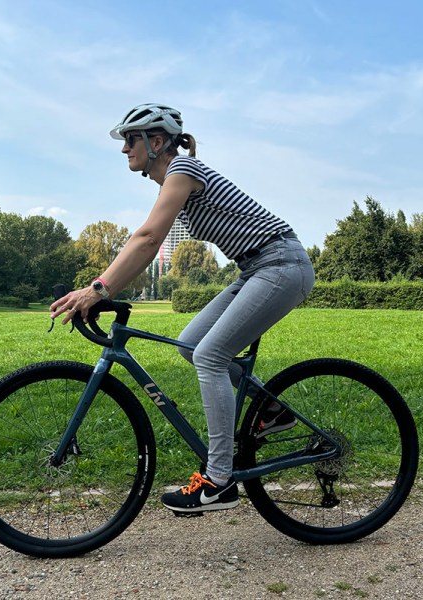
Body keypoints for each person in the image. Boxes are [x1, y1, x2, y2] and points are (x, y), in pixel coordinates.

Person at [50, 103, 314, 514]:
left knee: (210, 355)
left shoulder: (184, 171)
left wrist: (97, 289)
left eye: (129, 139)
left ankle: (219, 481)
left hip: (282, 265)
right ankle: (274, 411)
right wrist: (101, 288)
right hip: (258, 267)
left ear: (156, 142)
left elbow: (148, 237)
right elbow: (143, 247)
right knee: (191, 344)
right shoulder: (174, 180)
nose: (124, 149)